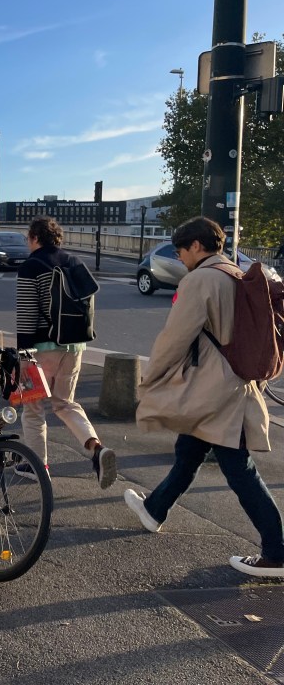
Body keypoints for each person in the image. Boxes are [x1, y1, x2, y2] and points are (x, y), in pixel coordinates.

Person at [125, 216, 284, 577]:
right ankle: (154, 510)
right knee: (189, 450)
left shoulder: (200, 280)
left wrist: (150, 378)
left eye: (181, 250)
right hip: (232, 386)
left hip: (216, 390)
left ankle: (277, 553)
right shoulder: (235, 273)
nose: (180, 258)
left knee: (239, 469)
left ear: (196, 245)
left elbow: (175, 338)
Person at [15, 216, 117, 488]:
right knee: (64, 404)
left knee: (33, 408)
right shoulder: (74, 262)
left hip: (41, 348)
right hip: (74, 347)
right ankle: (96, 448)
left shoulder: (31, 266)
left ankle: (36, 466)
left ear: (35, 238)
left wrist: (23, 356)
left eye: (28, 238)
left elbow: (27, 315)